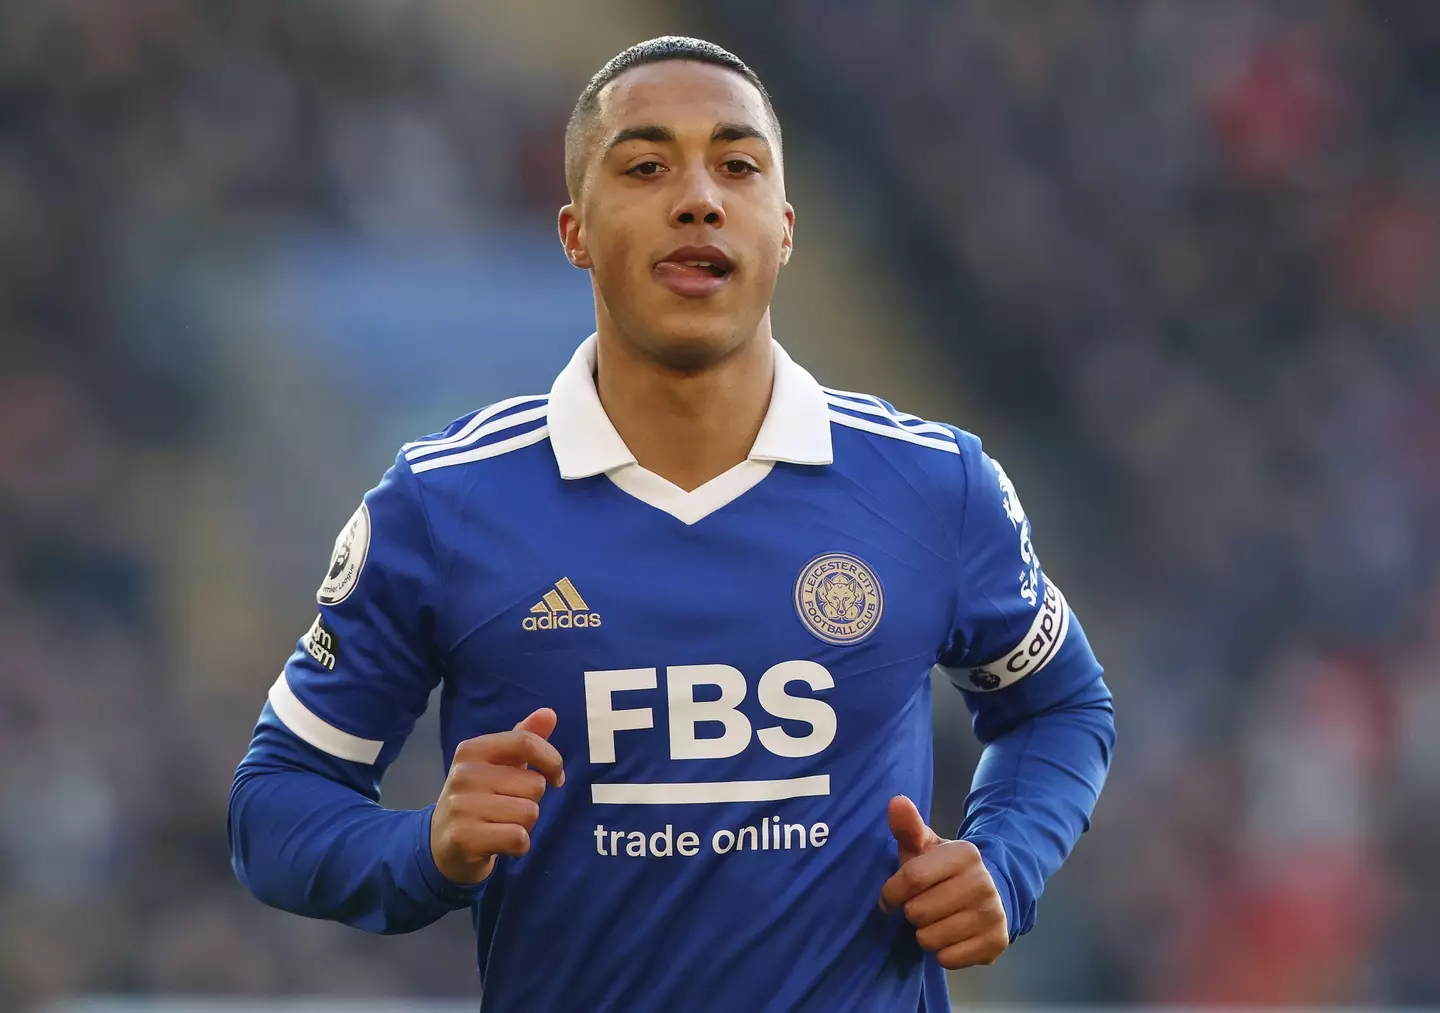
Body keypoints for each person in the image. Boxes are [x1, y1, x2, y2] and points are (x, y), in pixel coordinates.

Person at [228, 36, 1115, 1012]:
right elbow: (275, 805)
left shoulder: (932, 482)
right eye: (646, 166)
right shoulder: (443, 504)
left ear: (782, 227)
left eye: (737, 165)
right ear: (572, 230)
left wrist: (1005, 860)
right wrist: (424, 847)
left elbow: (1060, 707)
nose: (699, 197)